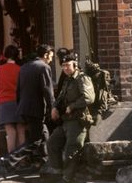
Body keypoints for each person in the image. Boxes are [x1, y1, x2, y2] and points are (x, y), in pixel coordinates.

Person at [47, 53, 94, 182]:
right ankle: (58, 172)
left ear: (75, 64)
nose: (65, 68)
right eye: (63, 66)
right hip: (66, 120)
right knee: (52, 143)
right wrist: (55, 107)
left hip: (78, 121)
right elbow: (61, 96)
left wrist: (72, 106)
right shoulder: (67, 80)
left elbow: (89, 97)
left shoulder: (82, 78)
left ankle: (67, 178)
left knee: (71, 151)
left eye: (68, 65)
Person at [16, 44, 56, 155]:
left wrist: (19, 105)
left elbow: (18, 90)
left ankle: (44, 161)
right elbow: (48, 90)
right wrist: (52, 107)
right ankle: (11, 158)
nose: (51, 60)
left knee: (43, 135)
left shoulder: (24, 67)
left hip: (24, 108)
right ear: (46, 55)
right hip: (35, 109)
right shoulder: (43, 67)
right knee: (35, 140)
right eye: (51, 57)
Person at [0, 45, 26, 152]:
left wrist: (2, 93)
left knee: (10, 132)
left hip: (5, 102)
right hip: (20, 102)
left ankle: (12, 159)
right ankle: (22, 159)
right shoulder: (21, 69)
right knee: (21, 130)